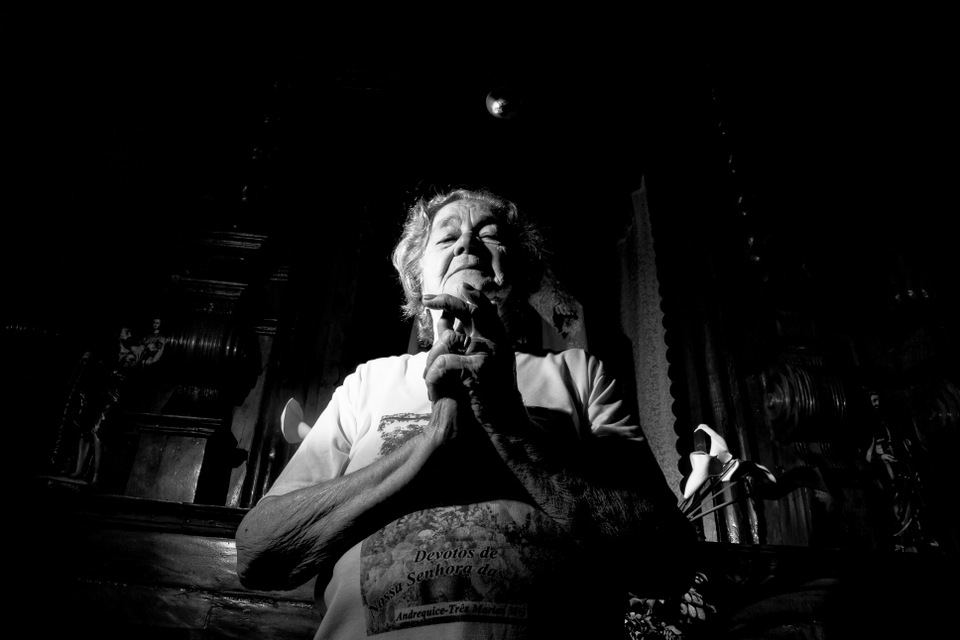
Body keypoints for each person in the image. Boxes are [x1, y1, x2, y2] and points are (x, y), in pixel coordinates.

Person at [236, 188, 696, 639]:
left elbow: (668, 560)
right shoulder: (368, 382)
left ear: (521, 271)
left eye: (489, 234)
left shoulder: (579, 373)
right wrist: (434, 441)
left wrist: (508, 424)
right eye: (446, 236)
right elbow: (257, 552)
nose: (467, 244)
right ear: (419, 279)